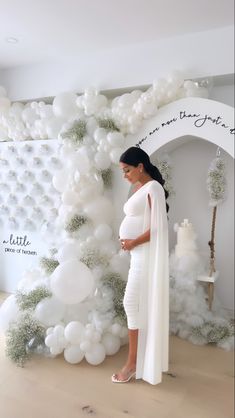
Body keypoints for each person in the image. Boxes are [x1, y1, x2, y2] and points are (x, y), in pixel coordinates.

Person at [111, 146, 169, 385]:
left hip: (144, 255)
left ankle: (133, 363)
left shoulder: (153, 187)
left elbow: (158, 228)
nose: (125, 175)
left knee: (131, 303)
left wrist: (132, 241)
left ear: (140, 166)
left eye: (127, 170)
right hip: (137, 255)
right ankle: (140, 358)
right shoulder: (140, 188)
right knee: (137, 305)